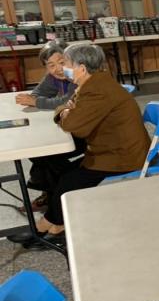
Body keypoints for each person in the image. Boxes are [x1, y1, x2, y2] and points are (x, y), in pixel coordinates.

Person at [7, 43, 150, 249]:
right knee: (62, 173)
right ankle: (55, 223)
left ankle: (49, 226)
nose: (62, 69)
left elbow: (73, 125)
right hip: (111, 148)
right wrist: (66, 110)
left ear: (81, 68)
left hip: (122, 155)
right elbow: (69, 108)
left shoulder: (96, 90)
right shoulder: (94, 82)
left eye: (66, 63)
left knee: (69, 180)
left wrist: (63, 111)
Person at [13, 40, 80, 211]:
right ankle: (53, 194)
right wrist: (35, 99)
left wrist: (37, 102)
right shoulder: (53, 78)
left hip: (89, 134)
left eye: (61, 62)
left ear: (71, 60)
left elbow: (65, 101)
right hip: (72, 126)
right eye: (51, 65)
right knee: (39, 154)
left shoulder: (78, 76)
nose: (57, 69)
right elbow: (38, 92)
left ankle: (56, 195)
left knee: (46, 156)